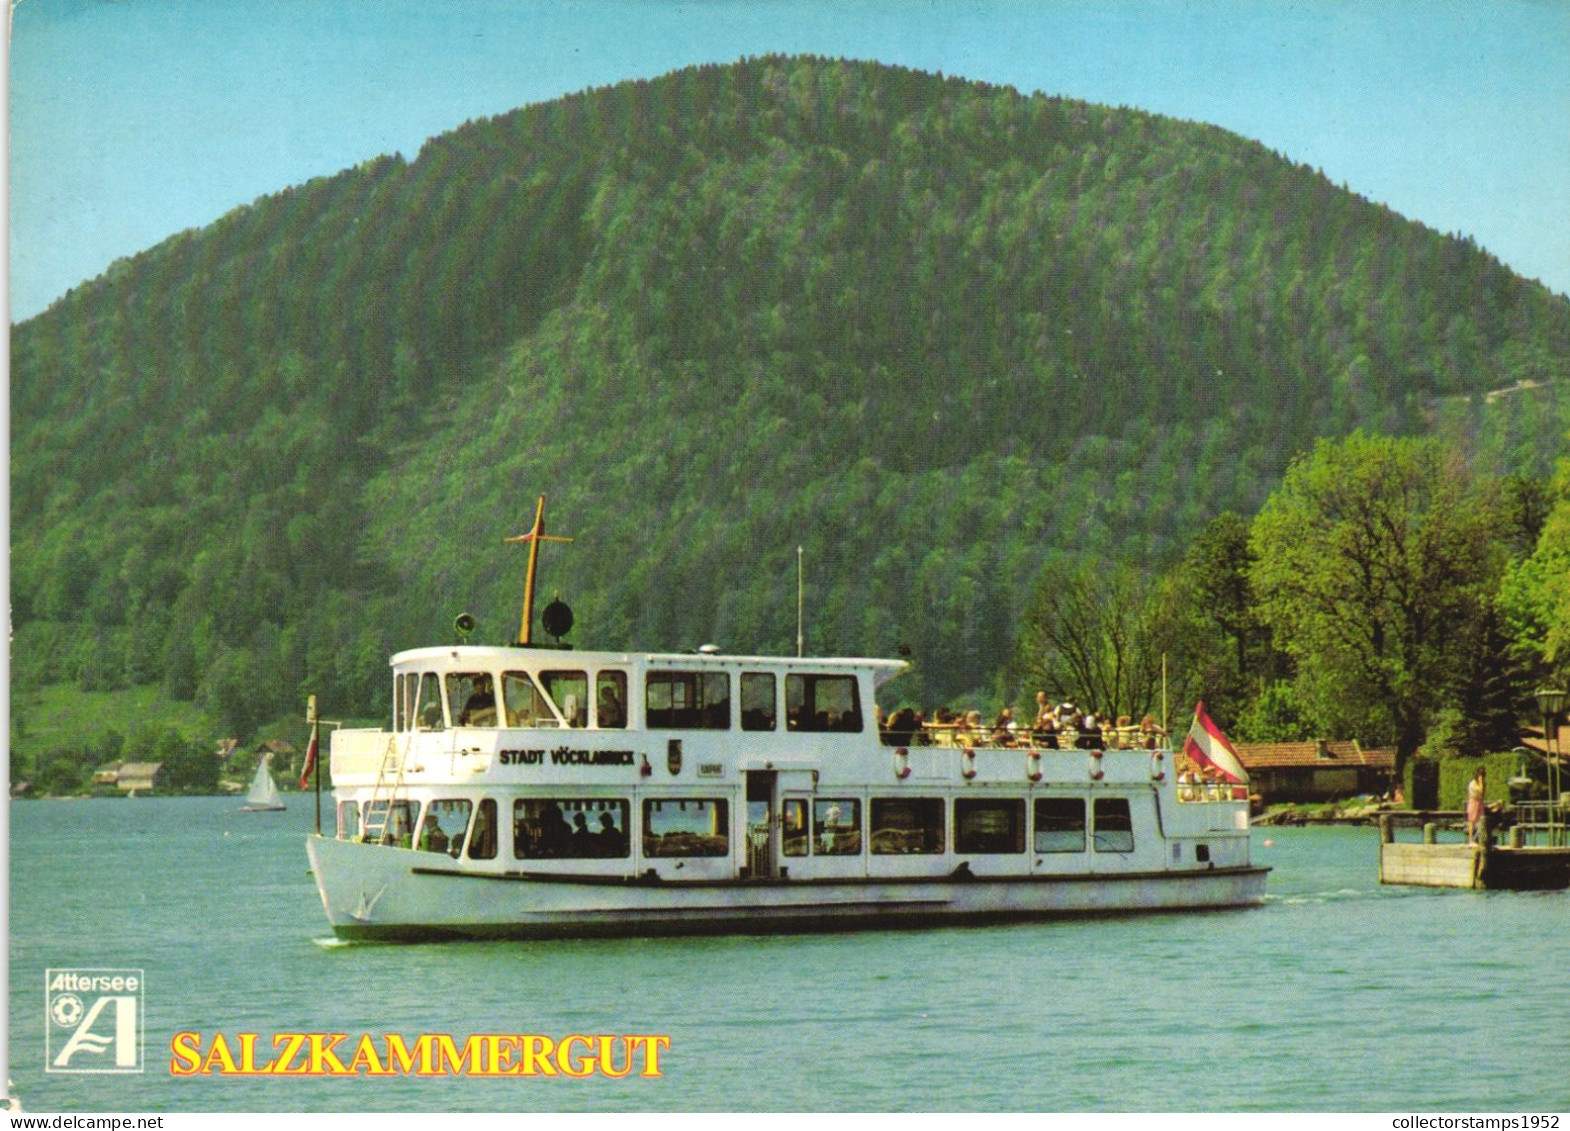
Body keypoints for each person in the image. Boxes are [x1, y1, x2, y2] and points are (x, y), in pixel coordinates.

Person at [1466, 767, 1486, 845]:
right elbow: (1480, 790)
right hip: (1473, 802)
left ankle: (1480, 839)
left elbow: (1482, 793)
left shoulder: (1480, 783)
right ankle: (1470, 840)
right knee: (1472, 821)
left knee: (1482, 821)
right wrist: (1481, 782)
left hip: (1479, 802)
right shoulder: (1473, 783)